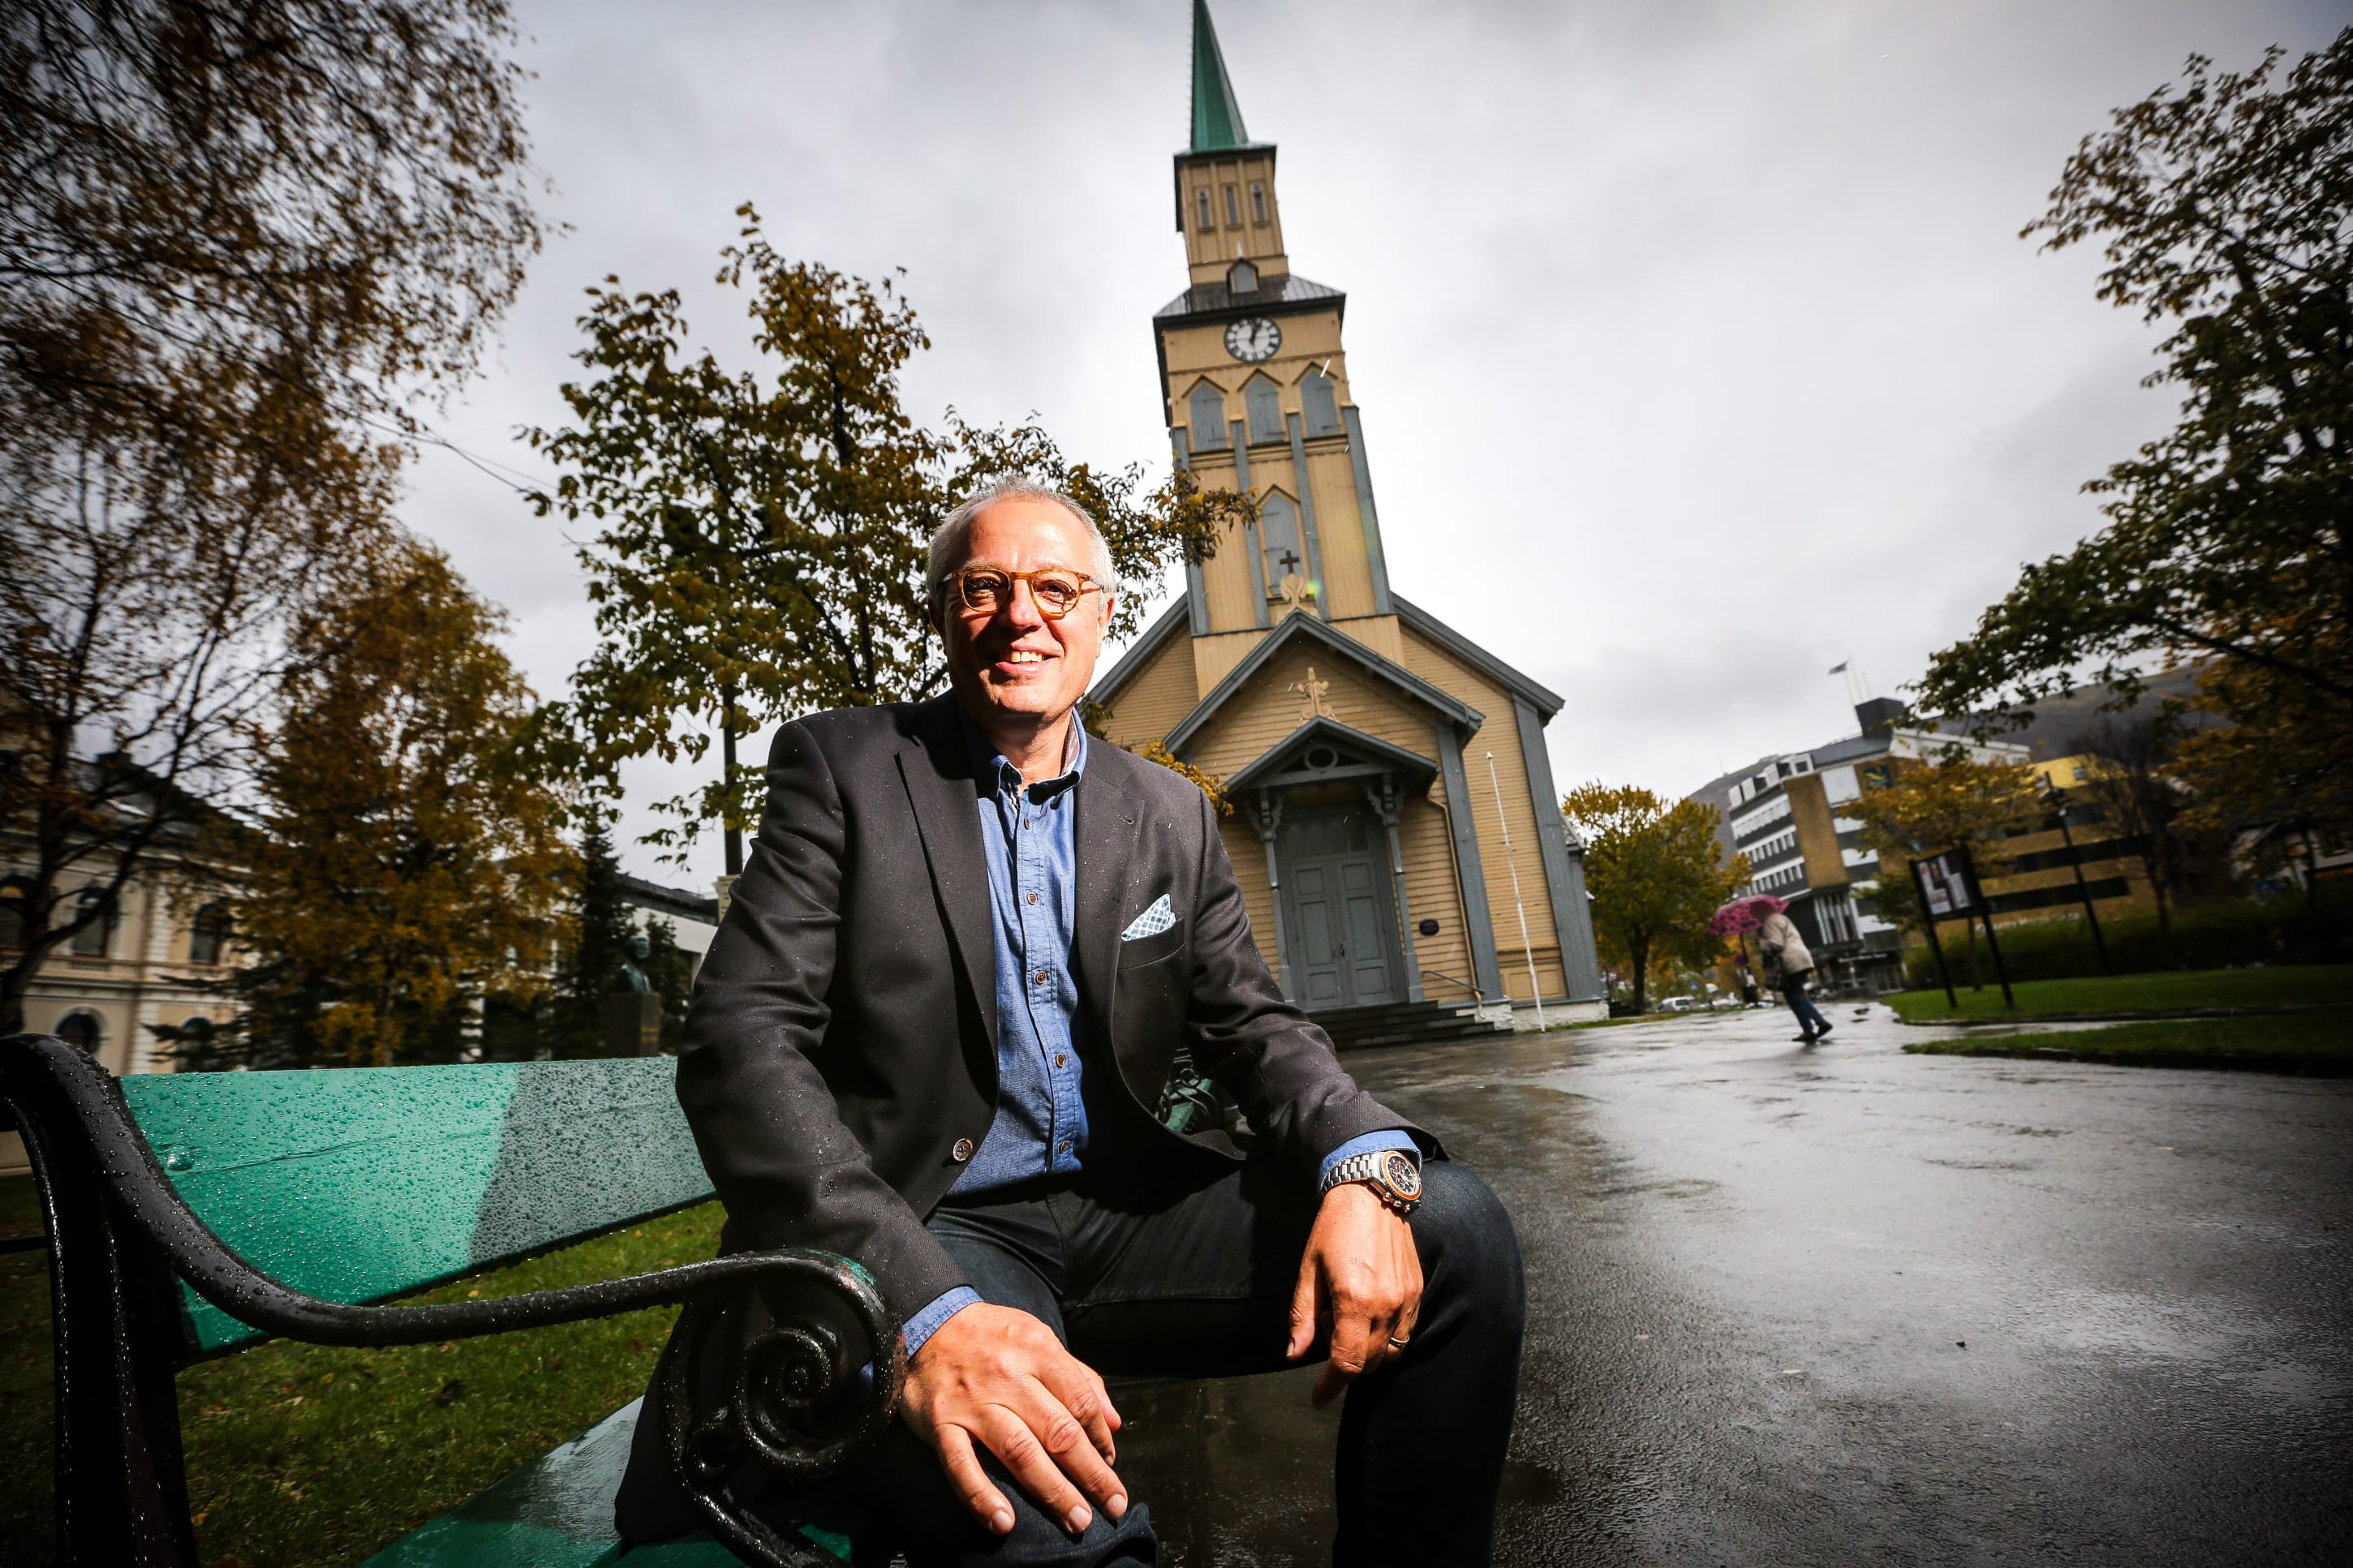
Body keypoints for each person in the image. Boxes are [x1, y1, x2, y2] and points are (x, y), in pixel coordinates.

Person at [614, 479, 1526, 1566]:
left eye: (1054, 588)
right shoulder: (843, 769)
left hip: (1128, 1215)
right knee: (1062, 1517)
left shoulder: (1167, 811)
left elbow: (1255, 1025)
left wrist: (1359, 1164)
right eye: (984, 588)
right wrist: (921, 1310)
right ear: (942, 613)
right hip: (932, 1225)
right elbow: (742, 1042)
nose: (1021, 616)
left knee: (1454, 1228)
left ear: (1100, 613)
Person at [1755, 899, 1832, 1044]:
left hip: (1790, 961)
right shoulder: (1781, 918)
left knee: (1795, 995)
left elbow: (1777, 945)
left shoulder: (1770, 922)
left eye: (1754, 912)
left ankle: (1818, 1023)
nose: (1754, 916)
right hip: (1800, 957)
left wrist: (1760, 941)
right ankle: (1810, 1028)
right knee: (1794, 995)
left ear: (1761, 910)